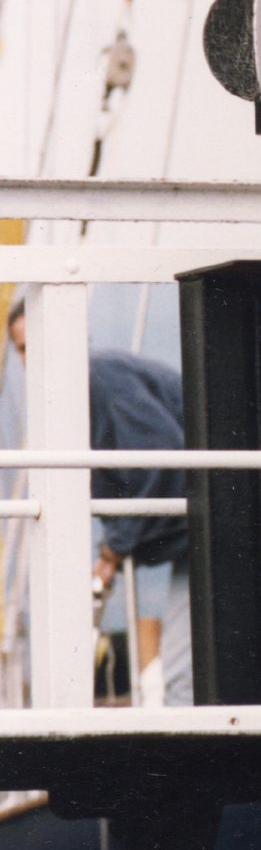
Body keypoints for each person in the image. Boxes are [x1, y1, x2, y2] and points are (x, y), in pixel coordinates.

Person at [7, 297, 193, 705]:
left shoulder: (98, 377)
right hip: (202, 525)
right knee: (183, 676)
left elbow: (162, 453)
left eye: (40, 344)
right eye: (23, 350)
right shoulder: (83, 389)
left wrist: (115, 546)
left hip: (220, 519)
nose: (32, 359)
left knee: (183, 679)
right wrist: (114, 546)